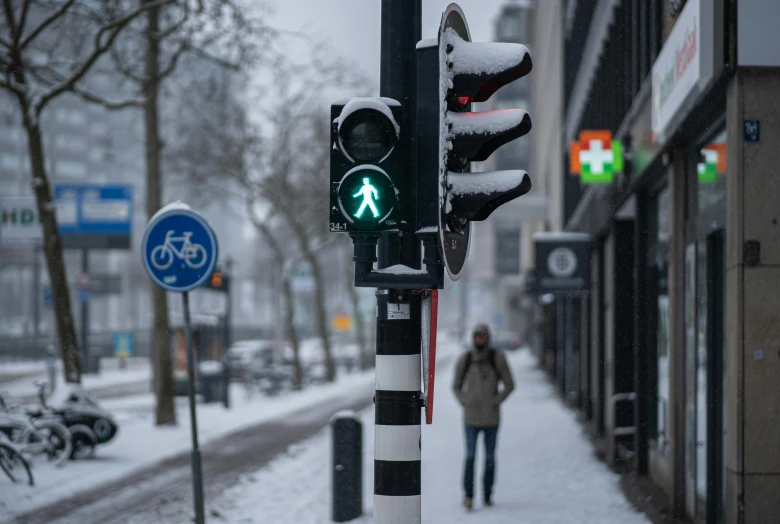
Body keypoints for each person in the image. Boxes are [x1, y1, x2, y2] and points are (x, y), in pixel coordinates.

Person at [452, 323, 515, 510]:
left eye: (483, 336)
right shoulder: (466, 359)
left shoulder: (498, 358)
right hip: (470, 418)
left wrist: (496, 400)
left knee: (489, 457)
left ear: (488, 337)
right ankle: (468, 496)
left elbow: (510, 384)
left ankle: (488, 494)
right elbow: (456, 385)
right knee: (470, 457)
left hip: (492, 418)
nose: (480, 339)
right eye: (477, 336)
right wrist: (465, 401)